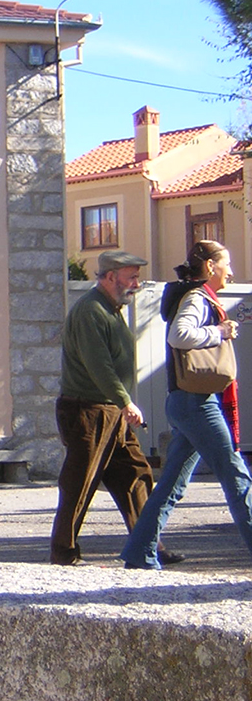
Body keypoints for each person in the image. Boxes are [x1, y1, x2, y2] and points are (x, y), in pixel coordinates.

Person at [120, 240, 252, 569]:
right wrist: (218, 332)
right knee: (235, 476)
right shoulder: (196, 297)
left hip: (186, 401)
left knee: (171, 486)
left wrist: (217, 330)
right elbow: (179, 336)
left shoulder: (193, 296)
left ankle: (139, 554)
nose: (231, 272)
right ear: (209, 267)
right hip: (196, 403)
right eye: (226, 264)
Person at [50, 250, 183, 566]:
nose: (136, 283)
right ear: (110, 277)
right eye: (131, 277)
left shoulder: (111, 309)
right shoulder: (90, 311)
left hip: (109, 410)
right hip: (87, 410)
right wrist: (126, 402)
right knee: (80, 482)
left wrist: (120, 405)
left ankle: (149, 543)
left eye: (137, 277)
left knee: (135, 475)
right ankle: (64, 553)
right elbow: (99, 366)